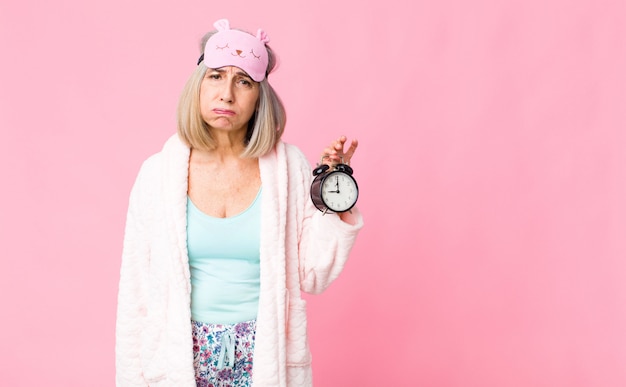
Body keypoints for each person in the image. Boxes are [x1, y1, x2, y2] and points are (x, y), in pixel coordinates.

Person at [115, 18, 363, 386]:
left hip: (264, 355)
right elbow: (135, 293)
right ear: (198, 85)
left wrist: (332, 194)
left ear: (259, 96)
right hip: (179, 355)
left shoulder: (287, 168)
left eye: (243, 81)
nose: (226, 94)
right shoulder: (158, 174)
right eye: (216, 76)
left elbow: (314, 275)